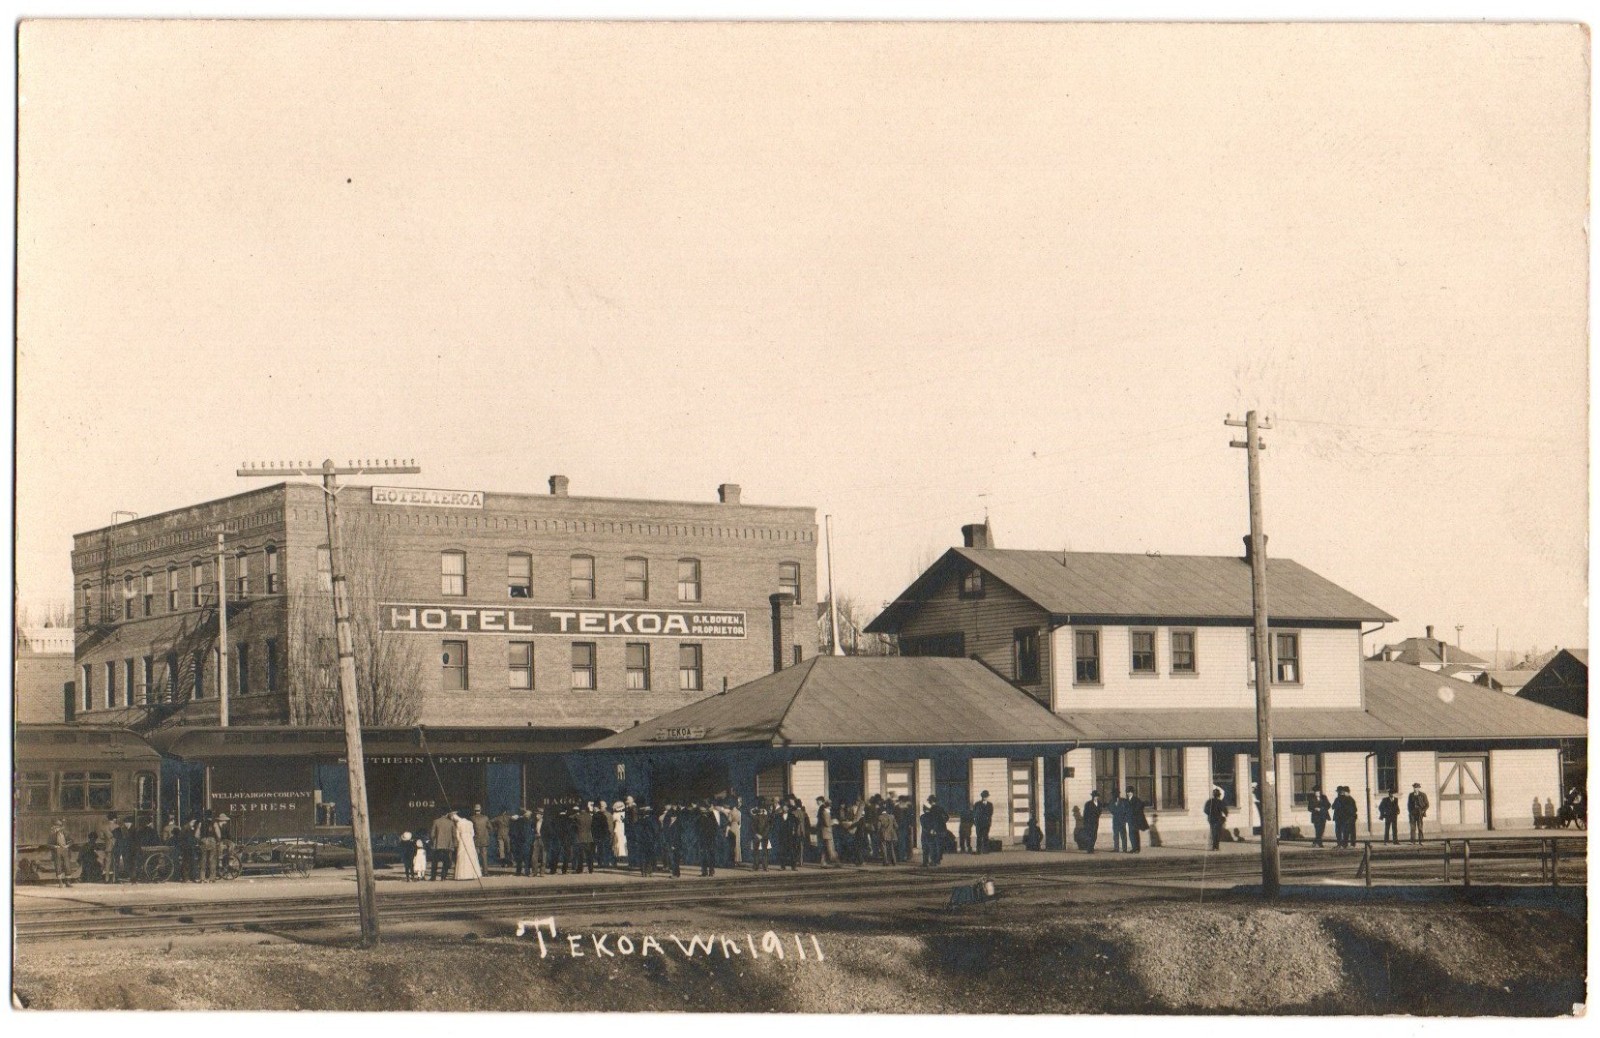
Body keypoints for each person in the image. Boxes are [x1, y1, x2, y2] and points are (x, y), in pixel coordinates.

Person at [452, 810, 483, 880]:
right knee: (471, 855)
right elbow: (473, 833)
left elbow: (457, 834)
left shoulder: (459, 823)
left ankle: (463, 875)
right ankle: (472, 874)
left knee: (462, 856)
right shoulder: (470, 822)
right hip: (469, 840)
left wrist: (460, 840)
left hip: (463, 840)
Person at [429, 807, 457, 880]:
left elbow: (432, 834)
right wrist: (454, 844)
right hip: (447, 845)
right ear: (447, 814)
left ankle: (433, 877)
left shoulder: (436, 821)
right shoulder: (451, 823)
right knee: (446, 861)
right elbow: (454, 835)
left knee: (435, 862)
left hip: (437, 845)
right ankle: (443, 877)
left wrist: (433, 841)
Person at [921, 795, 949, 866]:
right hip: (942, 829)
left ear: (931, 801)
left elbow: (933, 820)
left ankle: (935, 860)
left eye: (929, 801)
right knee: (940, 845)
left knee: (935, 845)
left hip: (935, 829)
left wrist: (934, 828)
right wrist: (943, 822)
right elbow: (947, 817)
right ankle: (938, 860)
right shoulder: (940, 808)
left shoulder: (932, 809)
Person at [749, 799, 773, 871]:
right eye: (760, 809)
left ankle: (765, 866)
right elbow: (752, 826)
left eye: (762, 809)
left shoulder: (766, 817)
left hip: (763, 836)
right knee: (756, 852)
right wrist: (756, 834)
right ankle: (756, 866)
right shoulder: (755, 817)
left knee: (764, 852)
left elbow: (768, 827)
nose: (761, 810)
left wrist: (761, 835)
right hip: (758, 836)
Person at [815, 797, 839, 866]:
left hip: (823, 831)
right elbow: (827, 823)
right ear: (829, 806)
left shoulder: (822, 810)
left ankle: (823, 862)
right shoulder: (825, 812)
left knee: (825, 848)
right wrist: (834, 822)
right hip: (826, 832)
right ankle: (836, 862)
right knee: (830, 848)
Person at [49, 819, 72, 887]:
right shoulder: (52, 835)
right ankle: (60, 882)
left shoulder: (66, 833)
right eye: (55, 826)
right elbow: (48, 844)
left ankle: (68, 882)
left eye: (58, 826)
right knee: (58, 866)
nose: (56, 828)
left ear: (61, 827)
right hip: (57, 851)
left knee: (67, 865)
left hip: (65, 850)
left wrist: (67, 845)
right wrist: (55, 846)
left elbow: (71, 841)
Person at [575, 802, 597, 874]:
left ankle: (579, 869)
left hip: (580, 837)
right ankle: (591, 869)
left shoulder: (578, 817)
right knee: (589, 854)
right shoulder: (590, 817)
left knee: (580, 855)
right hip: (588, 837)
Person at [509, 809, 531, 877]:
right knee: (526, 858)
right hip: (525, 841)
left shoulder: (517, 822)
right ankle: (527, 872)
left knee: (519, 858)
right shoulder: (527, 821)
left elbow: (513, 832)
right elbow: (525, 832)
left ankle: (518, 872)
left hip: (519, 841)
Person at [877, 801, 899, 865]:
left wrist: (878, 831)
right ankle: (894, 861)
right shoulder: (892, 816)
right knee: (891, 848)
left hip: (884, 834)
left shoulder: (880, 817)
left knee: (884, 848)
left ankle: (885, 861)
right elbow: (896, 826)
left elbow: (878, 827)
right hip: (892, 834)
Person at [1126, 788, 1148, 853]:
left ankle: (1137, 849)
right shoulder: (1127, 800)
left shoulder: (1136, 800)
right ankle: (1134, 848)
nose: (1128, 793)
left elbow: (1139, 809)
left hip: (1135, 820)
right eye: (1127, 792)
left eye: (1130, 792)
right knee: (1131, 834)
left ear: (1132, 792)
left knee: (1135, 834)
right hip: (1130, 820)